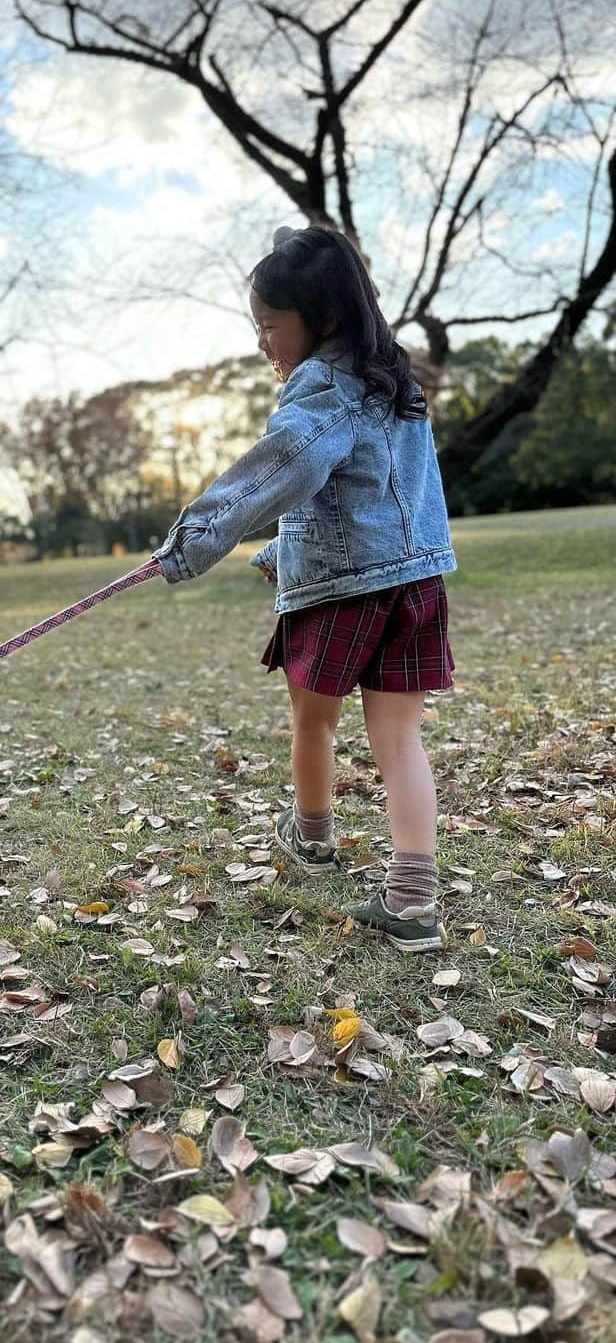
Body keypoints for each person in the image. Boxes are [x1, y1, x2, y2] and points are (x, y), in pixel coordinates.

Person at [151, 225, 457, 953]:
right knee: (399, 740)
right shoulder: (396, 383)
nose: (263, 343)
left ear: (320, 318)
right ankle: (413, 896)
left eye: (268, 326)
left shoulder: (320, 390)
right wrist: (279, 554)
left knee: (313, 721)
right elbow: (364, 495)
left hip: (340, 596)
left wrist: (197, 538)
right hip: (415, 585)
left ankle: (312, 835)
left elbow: (285, 466)